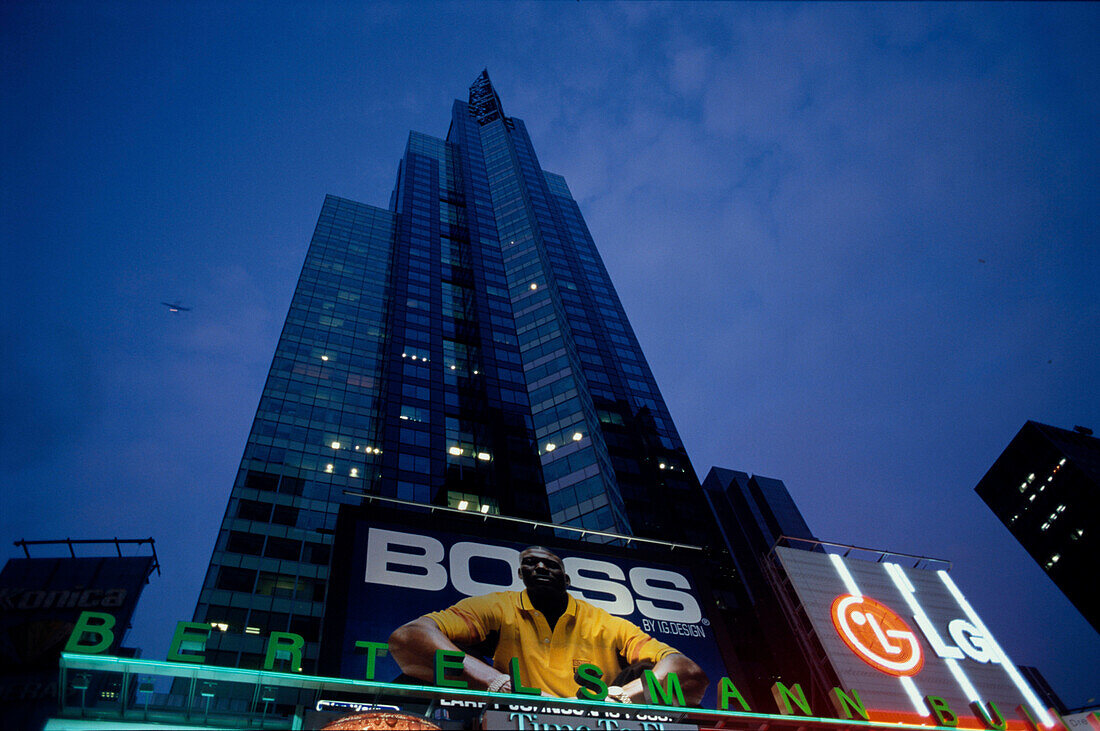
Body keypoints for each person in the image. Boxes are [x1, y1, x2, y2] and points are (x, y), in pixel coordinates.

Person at [387, 546, 707, 704]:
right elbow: (408, 637)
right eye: (530, 563)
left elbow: (688, 672)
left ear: (566, 578)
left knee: (655, 680)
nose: (540, 566)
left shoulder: (605, 623)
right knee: (413, 673)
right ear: (521, 574)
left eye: (550, 564)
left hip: (600, 724)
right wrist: (498, 683)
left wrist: (621, 696)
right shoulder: (497, 606)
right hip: (516, 719)